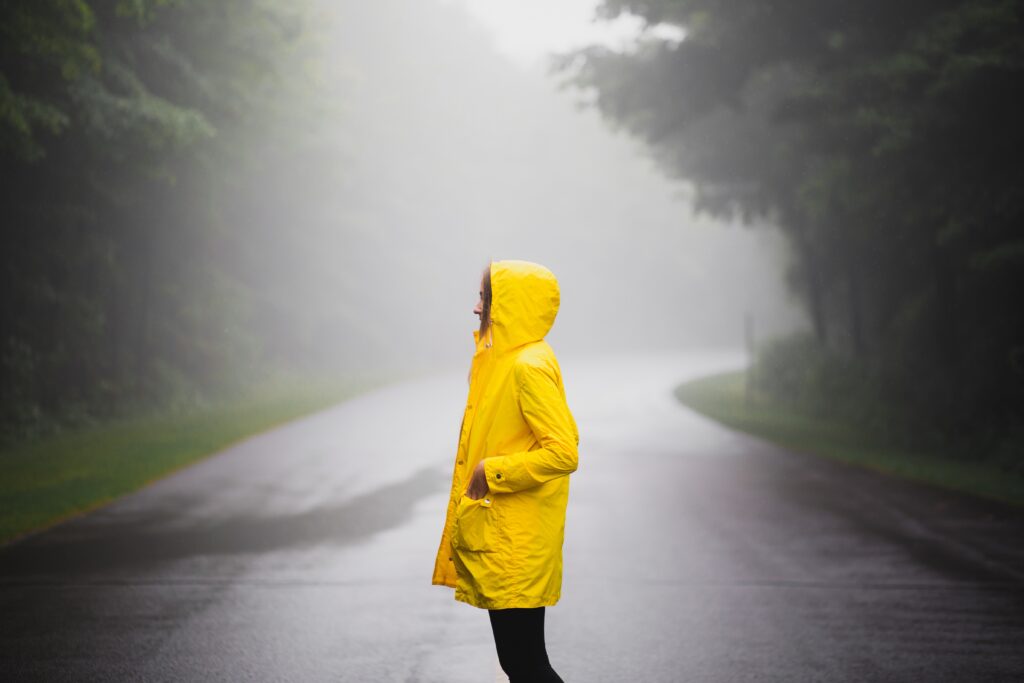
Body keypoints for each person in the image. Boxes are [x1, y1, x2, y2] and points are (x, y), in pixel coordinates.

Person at [432, 260, 579, 683]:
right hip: (506, 536)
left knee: (526, 665)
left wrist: (490, 472)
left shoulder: (526, 367)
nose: (476, 309)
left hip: (518, 542)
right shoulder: (500, 360)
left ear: (509, 305)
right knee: (520, 664)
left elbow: (563, 452)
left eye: (484, 297)